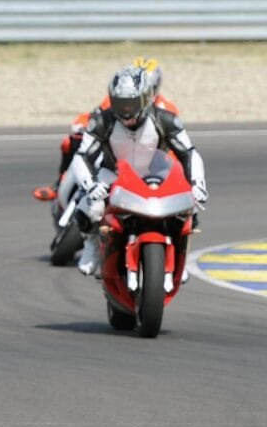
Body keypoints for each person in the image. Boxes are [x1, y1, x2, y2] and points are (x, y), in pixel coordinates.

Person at [70, 64, 208, 275]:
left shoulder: (165, 119)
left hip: (155, 174)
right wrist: (91, 185)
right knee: (89, 208)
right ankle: (91, 243)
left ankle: (179, 255)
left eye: (132, 103)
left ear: (146, 98)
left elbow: (189, 152)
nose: (126, 110)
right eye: (120, 103)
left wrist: (197, 184)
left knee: (190, 208)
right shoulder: (101, 121)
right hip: (113, 173)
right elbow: (82, 156)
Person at [32, 57, 180, 211]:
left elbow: (176, 145)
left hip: (150, 162)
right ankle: (60, 184)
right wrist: (83, 124)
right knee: (71, 142)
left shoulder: (167, 109)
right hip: (115, 155)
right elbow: (95, 116)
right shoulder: (120, 98)